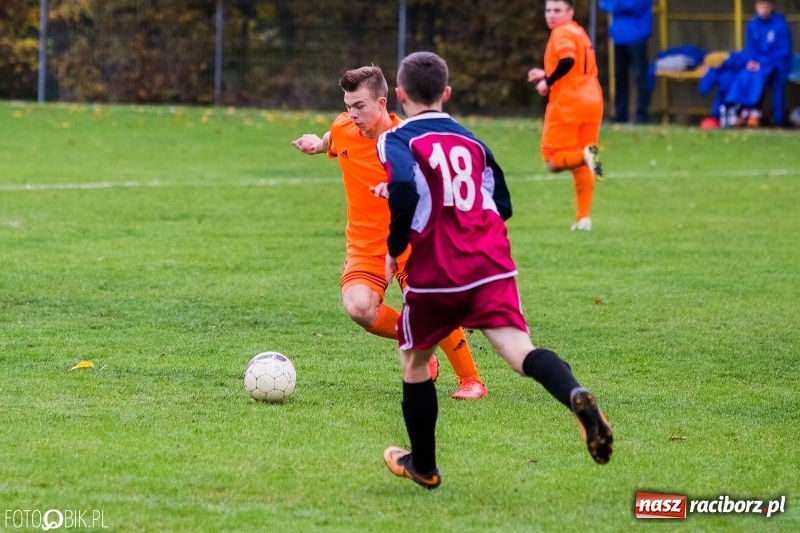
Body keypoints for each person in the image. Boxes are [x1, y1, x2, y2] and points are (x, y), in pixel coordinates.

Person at [377, 51, 614, 489]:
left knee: (413, 360)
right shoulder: (473, 141)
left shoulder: (397, 138)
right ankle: (576, 397)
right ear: (446, 94)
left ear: (400, 94)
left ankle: (424, 466)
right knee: (520, 351)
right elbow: (501, 203)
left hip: (438, 268)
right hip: (489, 262)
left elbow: (407, 186)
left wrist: (395, 247)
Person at [291, 65, 488, 399]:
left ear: (382, 103)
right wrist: (316, 145)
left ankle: (471, 381)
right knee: (359, 308)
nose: (351, 114)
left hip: (411, 242)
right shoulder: (342, 126)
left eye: (360, 106)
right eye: (348, 105)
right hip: (366, 246)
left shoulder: (408, 141)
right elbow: (332, 139)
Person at [528, 0, 604, 232]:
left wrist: (547, 82)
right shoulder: (579, 32)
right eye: (548, 10)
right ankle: (584, 218)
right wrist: (548, 72)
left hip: (569, 104)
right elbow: (577, 66)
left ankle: (586, 155)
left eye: (557, 10)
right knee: (583, 164)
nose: (551, 15)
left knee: (553, 161)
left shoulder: (561, 33)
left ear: (570, 12)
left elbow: (568, 60)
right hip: (593, 101)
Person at [702, 0, 793, 127]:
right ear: (756, 7)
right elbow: (750, 50)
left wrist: (761, 63)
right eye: (761, 6)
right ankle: (738, 116)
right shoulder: (752, 24)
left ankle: (776, 121)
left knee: (764, 78)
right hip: (756, 64)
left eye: (767, 6)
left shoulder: (780, 25)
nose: (764, 10)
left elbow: (783, 52)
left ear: (772, 7)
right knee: (735, 76)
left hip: (777, 64)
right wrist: (750, 62)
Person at [599, 0, 653, 124]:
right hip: (619, 36)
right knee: (619, 76)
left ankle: (642, 113)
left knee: (640, 76)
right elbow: (604, 4)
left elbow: (636, 5)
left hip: (637, 36)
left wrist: (616, 5)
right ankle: (620, 113)